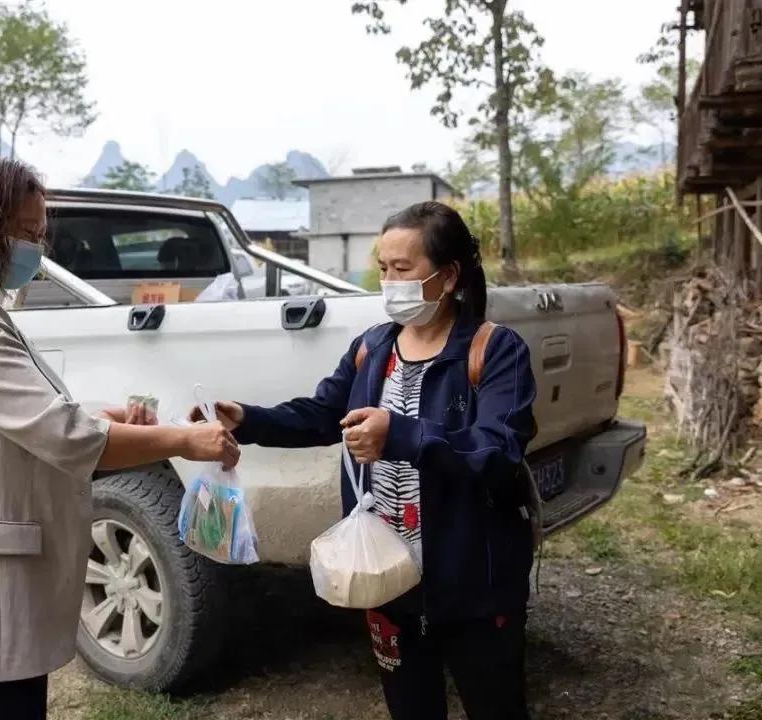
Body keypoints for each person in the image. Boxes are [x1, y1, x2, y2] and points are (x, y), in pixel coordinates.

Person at [0, 153, 239, 720]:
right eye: (24, 233)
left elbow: (20, 412)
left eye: (38, 234)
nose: (34, 250)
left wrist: (109, 415)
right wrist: (182, 441)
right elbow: (65, 435)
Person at [195, 201, 538, 720]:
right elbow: (321, 414)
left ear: (447, 277)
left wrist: (398, 435)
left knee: (496, 707)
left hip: (474, 586)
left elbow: (497, 449)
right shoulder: (373, 347)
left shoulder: (495, 351)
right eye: (383, 268)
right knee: (410, 707)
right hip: (386, 574)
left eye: (403, 269)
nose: (389, 281)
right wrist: (249, 418)